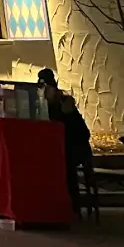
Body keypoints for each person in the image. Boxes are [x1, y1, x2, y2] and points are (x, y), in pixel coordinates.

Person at [38, 68, 94, 216]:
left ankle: (70, 206)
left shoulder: (64, 103)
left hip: (74, 149)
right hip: (63, 148)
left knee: (66, 170)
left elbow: (79, 132)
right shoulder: (50, 104)